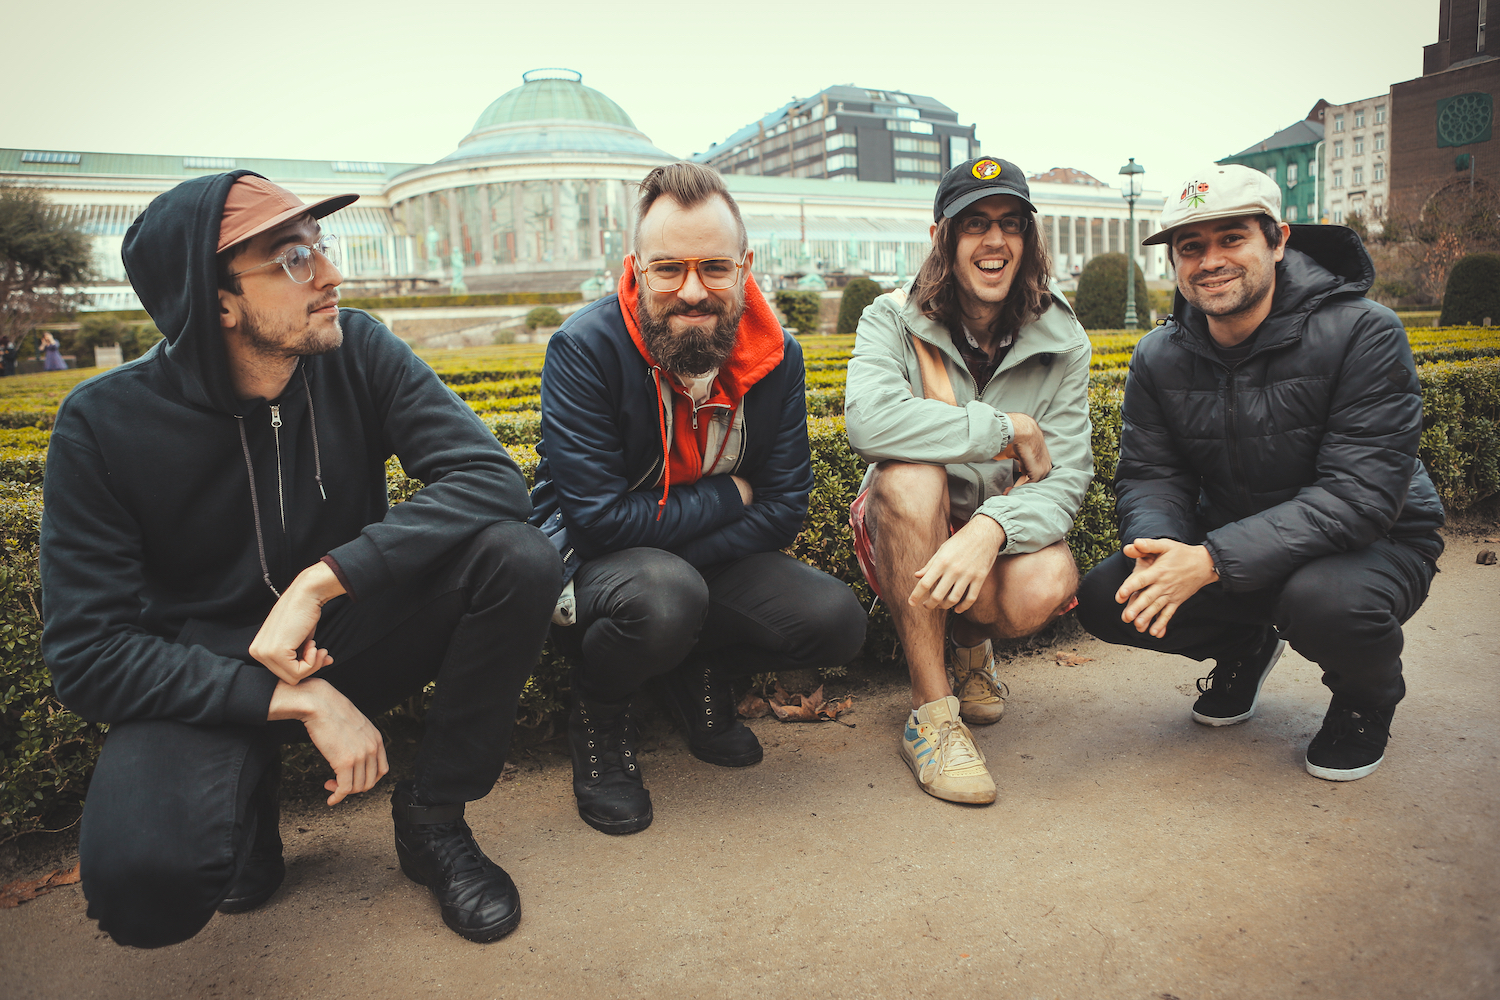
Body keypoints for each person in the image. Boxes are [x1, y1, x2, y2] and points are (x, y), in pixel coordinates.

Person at [41, 172, 561, 948]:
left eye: (319, 246)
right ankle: (243, 814)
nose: (329, 274)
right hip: (211, 674)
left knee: (516, 557)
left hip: (345, 634)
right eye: (290, 259)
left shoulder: (357, 351)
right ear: (214, 301)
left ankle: (433, 819)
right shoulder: (102, 426)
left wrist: (325, 580)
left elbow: (490, 480)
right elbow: (86, 658)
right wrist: (298, 700)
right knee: (147, 888)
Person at [1074, 164, 1445, 781]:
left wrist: (1211, 561)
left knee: (1324, 601)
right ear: (1175, 262)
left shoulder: (1364, 333)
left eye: (1231, 238)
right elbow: (1150, 474)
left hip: (1376, 544)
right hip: (1234, 542)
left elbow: (1359, 497)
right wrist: (1163, 543)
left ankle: (1365, 700)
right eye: (1191, 246)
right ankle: (1243, 646)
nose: (1210, 260)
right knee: (1107, 597)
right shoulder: (1159, 355)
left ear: (1278, 241)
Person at [529, 162, 866, 835]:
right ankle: (600, 711)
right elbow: (595, 523)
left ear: (744, 267)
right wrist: (730, 494)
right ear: (635, 268)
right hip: (595, 566)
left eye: (714, 267)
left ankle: (694, 666)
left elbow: (785, 506)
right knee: (664, 594)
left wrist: (680, 535)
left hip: (671, 557)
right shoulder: (583, 349)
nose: (692, 291)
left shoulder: (779, 356)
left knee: (837, 620)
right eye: (668, 269)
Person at [844, 158, 1093, 805]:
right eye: (975, 223)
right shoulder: (890, 318)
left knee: (1048, 580)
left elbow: (1063, 481)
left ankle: (972, 646)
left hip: (987, 527)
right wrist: (1005, 431)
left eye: (1010, 224)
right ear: (942, 238)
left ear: (1027, 240)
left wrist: (991, 527)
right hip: (907, 528)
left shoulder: (1062, 337)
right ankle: (933, 716)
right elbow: (869, 423)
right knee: (908, 477)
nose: (994, 240)